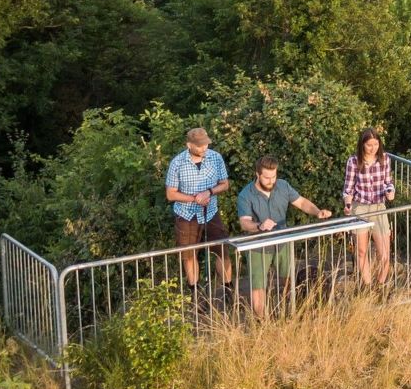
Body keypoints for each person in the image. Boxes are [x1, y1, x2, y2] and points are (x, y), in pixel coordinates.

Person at [235, 155, 331, 317]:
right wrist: (259, 226)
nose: (271, 181)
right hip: (257, 246)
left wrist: (317, 212)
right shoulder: (245, 195)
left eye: (274, 176)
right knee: (258, 286)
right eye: (266, 177)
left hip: (282, 242)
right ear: (257, 175)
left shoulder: (283, 186)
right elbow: (244, 223)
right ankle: (261, 323)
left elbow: (301, 202)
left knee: (288, 280)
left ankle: (290, 314)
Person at [164, 126, 231, 307]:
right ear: (189, 145)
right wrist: (195, 198)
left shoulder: (215, 158)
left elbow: (224, 184)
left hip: (211, 213)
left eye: (206, 145)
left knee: (222, 251)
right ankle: (196, 295)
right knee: (189, 255)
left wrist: (209, 192)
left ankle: (228, 290)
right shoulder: (177, 163)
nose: (204, 148)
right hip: (187, 216)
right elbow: (171, 194)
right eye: (200, 146)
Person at [340, 127, 395, 289]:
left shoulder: (384, 158)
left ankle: (380, 285)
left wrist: (390, 191)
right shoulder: (354, 161)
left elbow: (388, 182)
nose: (373, 148)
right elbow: (348, 188)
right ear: (362, 145)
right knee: (362, 251)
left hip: (379, 206)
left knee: (384, 253)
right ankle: (367, 285)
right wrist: (347, 204)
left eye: (376, 144)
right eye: (369, 145)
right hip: (360, 207)